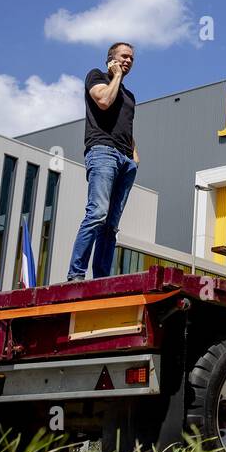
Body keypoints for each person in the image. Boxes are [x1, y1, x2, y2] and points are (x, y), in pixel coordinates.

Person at [67, 42, 138, 281]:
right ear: (111, 59)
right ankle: (76, 274)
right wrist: (115, 75)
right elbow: (104, 102)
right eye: (124, 57)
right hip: (103, 152)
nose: (128, 61)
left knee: (111, 226)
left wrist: (134, 157)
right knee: (97, 213)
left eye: (131, 59)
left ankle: (101, 280)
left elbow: (126, 125)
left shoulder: (129, 95)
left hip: (125, 160)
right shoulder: (96, 76)